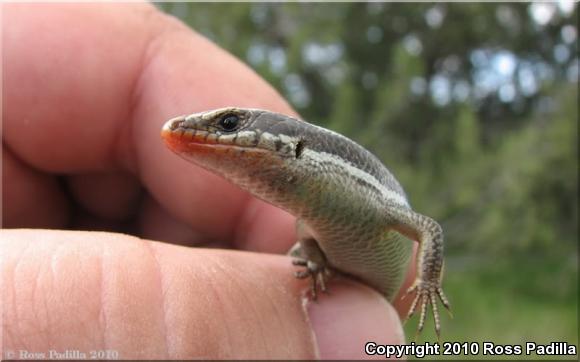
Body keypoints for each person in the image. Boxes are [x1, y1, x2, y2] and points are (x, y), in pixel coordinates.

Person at [2, 3, 415, 359]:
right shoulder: (308, 220)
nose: (192, 129)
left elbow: (424, 228)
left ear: (293, 145)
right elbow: (309, 237)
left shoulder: (347, 188)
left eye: (229, 124)